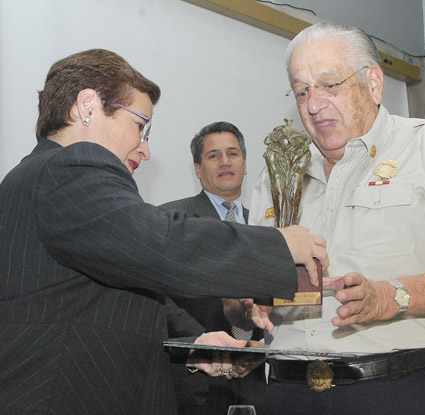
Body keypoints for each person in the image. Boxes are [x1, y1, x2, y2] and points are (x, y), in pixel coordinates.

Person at [0, 49, 328, 415]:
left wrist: (191, 348)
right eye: (140, 126)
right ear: (87, 105)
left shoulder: (39, 177)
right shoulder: (68, 168)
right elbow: (167, 245)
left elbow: (89, 314)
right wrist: (281, 245)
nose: (146, 149)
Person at [249, 22, 425, 415]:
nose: (313, 104)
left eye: (330, 85)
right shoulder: (276, 173)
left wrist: (390, 297)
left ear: (374, 82)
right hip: (290, 394)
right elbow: (247, 288)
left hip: (410, 389)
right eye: (301, 90)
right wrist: (244, 301)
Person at [161, 121, 269, 414]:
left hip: (257, 380)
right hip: (195, 380)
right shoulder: (171, 219)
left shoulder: (264, 226)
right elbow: (157, 294)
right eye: (213, 155)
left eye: (233, 154)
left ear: (245, 164)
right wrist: (205, 343)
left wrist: (265, 346)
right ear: (197, 169)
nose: (224, 161)